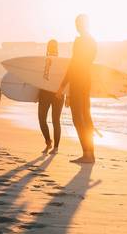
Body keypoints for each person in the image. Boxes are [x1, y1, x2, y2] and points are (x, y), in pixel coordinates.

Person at [57, 14, 97, 163]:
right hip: (86, 80)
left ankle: (87, 153)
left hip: (78, 80)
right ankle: (90, 153)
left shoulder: (80, 41)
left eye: (78, 23)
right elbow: (87, 62)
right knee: (86, 116)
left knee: (78, 117)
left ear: (83, 24)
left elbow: (74, 64)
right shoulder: (93, 41)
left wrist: (63, 86)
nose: (76, 26)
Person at [38, 39, 64, 154]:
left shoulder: (62, 63)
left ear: (57, 49)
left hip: (58, 93)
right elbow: (38, 78)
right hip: (44, 92)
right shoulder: (42, 62)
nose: (52, 48)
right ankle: (48, 142)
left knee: (55, 120)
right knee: (41, 119)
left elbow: (67, 79)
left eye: (54, 47)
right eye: (50, 46)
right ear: (47, 48)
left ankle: (56, 148)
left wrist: (68, 95)